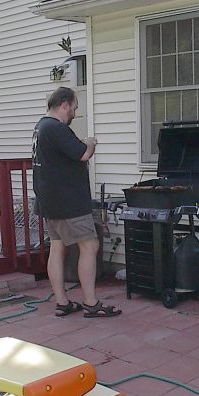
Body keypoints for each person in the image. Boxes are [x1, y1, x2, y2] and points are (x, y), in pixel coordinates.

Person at [32, 87, 121, 318]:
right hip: (68, 202)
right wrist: (90, 142)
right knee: (90, 246)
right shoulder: (56, 128)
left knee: (58, 246)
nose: (74, 112)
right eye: (74, 107)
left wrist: (79, 143)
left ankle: (62, 302)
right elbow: (83, 154)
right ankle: (91, 303)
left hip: (49, 200)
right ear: (64, 104)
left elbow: (63, 154)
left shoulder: (41, 127)